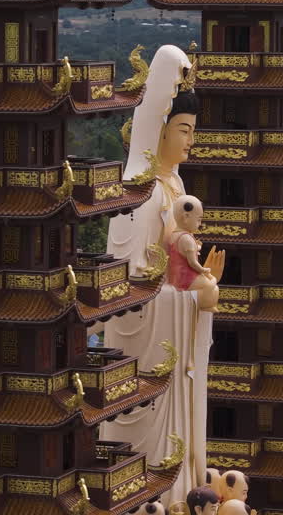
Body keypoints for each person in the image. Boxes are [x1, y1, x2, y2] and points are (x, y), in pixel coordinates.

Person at [101, 44, 224, 502]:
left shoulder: (174, 184)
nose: (190, 140)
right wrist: (193, 297)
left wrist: (198, 284)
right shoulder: (140, 193)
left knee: (184, 461)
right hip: (150, 354)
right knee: (152, 468)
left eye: (193, 130)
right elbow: (127, 297)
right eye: (183, 129)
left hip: (178, 352)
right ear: (159, 128)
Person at [168, 195, 221, 313]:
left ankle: (208, 302)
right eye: (198, 220)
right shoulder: (186, 238)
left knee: (212, 284)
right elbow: (192, 262)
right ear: (186, 217)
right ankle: (206, 304)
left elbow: (182, 252)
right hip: (185, 276)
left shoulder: (175, 235)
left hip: (176, 275)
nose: (200, 223)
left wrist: (196, 247)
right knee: (210, 285)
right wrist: (203, 270)